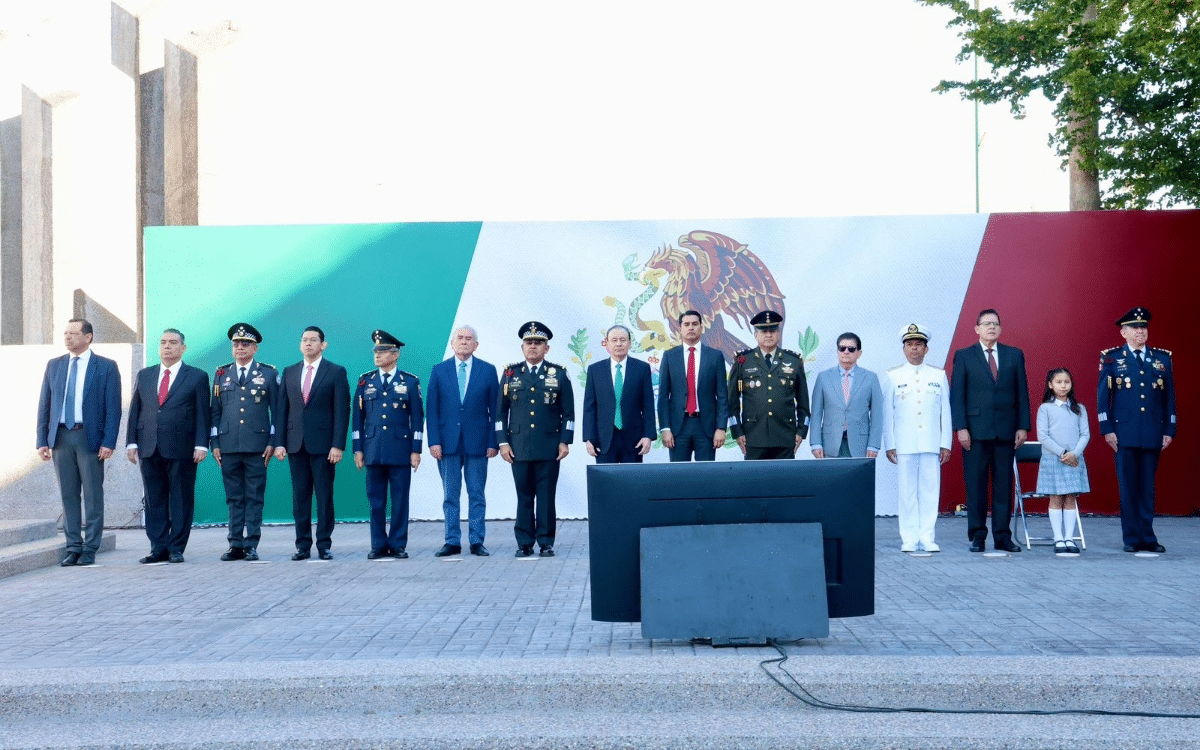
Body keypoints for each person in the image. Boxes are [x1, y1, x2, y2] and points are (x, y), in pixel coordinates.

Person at [36, 318, 122, 567]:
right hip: (61, 437)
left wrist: (109, 441)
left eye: (73, 333)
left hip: (89, 438)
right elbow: (45, 404)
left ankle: (90, 547)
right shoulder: (55, 365)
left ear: (88, 337)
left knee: (93, 494)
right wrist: (42, 440)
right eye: (65, 333)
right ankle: (73, 546)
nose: (67, 337)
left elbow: (113, 408)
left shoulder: (105, 366)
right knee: (68, 494)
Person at [126, 328, 212, 564]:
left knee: (181, 498)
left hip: (182, 447)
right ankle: (158, 547)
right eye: (163, 342)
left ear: (183, 348)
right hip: (149, 446)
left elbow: (203, 414)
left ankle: (176, 547)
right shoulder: (145, 375)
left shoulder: (196, 376)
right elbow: (136, 410)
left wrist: (201, 445)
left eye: (173, 343)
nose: (167, 346)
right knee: (154, 499)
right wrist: (131, 442)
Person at [950, 309, 1030, 553]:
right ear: (977, 329)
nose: (991, 327)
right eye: (986, 324)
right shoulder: (964, 355)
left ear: (1001, 328)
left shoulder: (1014, 355)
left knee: (1003, 486)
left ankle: (1002, 536)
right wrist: (961, 428)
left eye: (995, 323)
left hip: (1006, 430)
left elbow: (1022, 393)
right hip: (975, 432)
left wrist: (1023, 426)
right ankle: (978, 535)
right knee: (976, 486)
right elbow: (957, 395)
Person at [1097, 307, 1175, 553]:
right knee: (1128, 488)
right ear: (1123, 332)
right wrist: (1106, 429)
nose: (1141, 331)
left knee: (1147, 488)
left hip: (1152, 431)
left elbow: (1169, 397)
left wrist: (1169, 428)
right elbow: (1103, 397)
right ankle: (1131, 538)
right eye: (1135, 327)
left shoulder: (1161, 359)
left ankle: (1148, 537)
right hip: (1124, 433)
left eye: (1143, 327)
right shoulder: (1112, 358)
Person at [496, 321, 574, 557]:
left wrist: (565, 441)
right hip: (518, 446)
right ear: (522, 347)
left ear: (546, 348)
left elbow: (568, 413)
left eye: (538, 343)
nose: (533, 346)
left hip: (549, 446)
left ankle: (546, 542)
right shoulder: (510, 374)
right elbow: (500, 413)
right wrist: (503, 442)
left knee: (546, 496)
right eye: (528, 342)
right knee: (524, 496)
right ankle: (524, 542)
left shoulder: (558, 373)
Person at [275, 326, 350, 561]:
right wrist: (279, 443)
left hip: (324, 446)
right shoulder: (289, 372)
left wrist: (337, 445)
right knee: (300, 497)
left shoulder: (336, 372)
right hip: (295, 444)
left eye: (313, 340)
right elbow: (281, 410)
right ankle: (302, 546)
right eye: (304, 339)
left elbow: (341, 411)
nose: (308, 343)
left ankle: (324, 544)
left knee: (324, 496)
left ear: (323, 345)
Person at [427, 325, 499, 557]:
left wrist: (493, 442)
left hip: (478, 442)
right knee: (450, 495)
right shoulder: (439, 370)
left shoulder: (488, 370)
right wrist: (434, 441)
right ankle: (452, 541)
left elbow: (496, 410)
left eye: (469, 339)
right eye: (460, 338)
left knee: (476, 494)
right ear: (452, 343)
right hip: (447, 443)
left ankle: (477, 541)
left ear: (476, 345)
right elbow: (432, 410)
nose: (464, 342)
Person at [210, 323, 279, 562]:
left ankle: (251, 545)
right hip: (228, 445)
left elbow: (277, 411)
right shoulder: (221, 374)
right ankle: (235, 544)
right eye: (236, 344)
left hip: (258, 445)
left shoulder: (268, 373)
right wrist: (215, 442)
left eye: (246, 344)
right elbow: (215, 412)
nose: (240, 347)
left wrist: (272, 441)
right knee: (234, 497)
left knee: (254, 496)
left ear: (255, 348)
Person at [351, 330, 423, 559]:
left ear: (396, 354)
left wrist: (416, 450)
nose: (377, 355)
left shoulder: (410, 382)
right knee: (376, 501)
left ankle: (398, 544)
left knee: (400, 501)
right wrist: (358, 449)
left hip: (400, 450)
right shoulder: (365, 381)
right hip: (372, 450)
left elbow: (417, 419)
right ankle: (378, 545)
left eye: (383, 351)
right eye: (376, 351)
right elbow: (357, 419)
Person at [881, 324, 952, 553]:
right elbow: (887, 413)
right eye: (910, 345)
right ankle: (909, 537)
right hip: (905, 443)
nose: (914, 349)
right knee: (907, 492)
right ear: (904, 349)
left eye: (919, 345)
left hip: (931, 442)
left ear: (926, 349)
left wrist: (945, 443)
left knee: (930, 491)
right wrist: (890, 444)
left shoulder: (938, 375)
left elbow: (945, 412)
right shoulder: (893, 375)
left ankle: (927, 537)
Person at [727, 310, 809, 459]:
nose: (769, 335)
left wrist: (801, 431)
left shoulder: (793, 361)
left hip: (785, 436)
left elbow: (803, 402)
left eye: (773, 331)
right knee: (755, 475)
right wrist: (737, 431)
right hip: (753, 437)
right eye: (764, 331)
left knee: (784, 474)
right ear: (755, 335)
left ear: (779, 334)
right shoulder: (743, 361)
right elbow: (732, 402)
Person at [656, 310, 729, 461]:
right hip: (678, 427)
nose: (691, 328)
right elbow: (663, 396)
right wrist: (665, 428)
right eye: (686, 324)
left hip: (706, 426)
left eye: (695, 324)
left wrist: (721, 427)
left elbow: (722, 395)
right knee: (679, 473)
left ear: (701, 327)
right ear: (680, 328)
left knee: (706, 472)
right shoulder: (669, 356)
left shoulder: (715, 356)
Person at [1036, 368, 1090, 555]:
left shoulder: (1079, 408)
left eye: (1067, 382)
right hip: (1054, 459)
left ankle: (1069, 537)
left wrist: (1074, 453)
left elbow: (1085, 434)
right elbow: (1043, 436)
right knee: (1056, 498)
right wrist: (1063, 453)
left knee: (1070, 498)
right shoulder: (1045, 408)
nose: (1063, 386)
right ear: (1050, 385)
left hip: (1074, 460)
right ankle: (1058, 538)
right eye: (1058, 382)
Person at [583, 325, 655, 464]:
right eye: (614, 340)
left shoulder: (642, 368)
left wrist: (648, 435)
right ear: (607, 343)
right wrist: (589, 438)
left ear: (629, 343)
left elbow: (648, 405)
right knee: (606, 477)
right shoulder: (595, 370)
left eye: (622, 340)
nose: (618, 344)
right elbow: (589, 407)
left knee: (632, 477)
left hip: (634, 439)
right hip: (603, 439)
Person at [810, 332, 883, 460]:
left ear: (859, 353)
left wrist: (874, 445)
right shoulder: (823, 377)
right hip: (829, 444)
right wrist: (815, 443)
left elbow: (877, 415)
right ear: (837, 351)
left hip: (861, 446)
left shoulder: (871, 378)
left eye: (851, 349)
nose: (846, 352)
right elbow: (816, 413)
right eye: (842, 348)